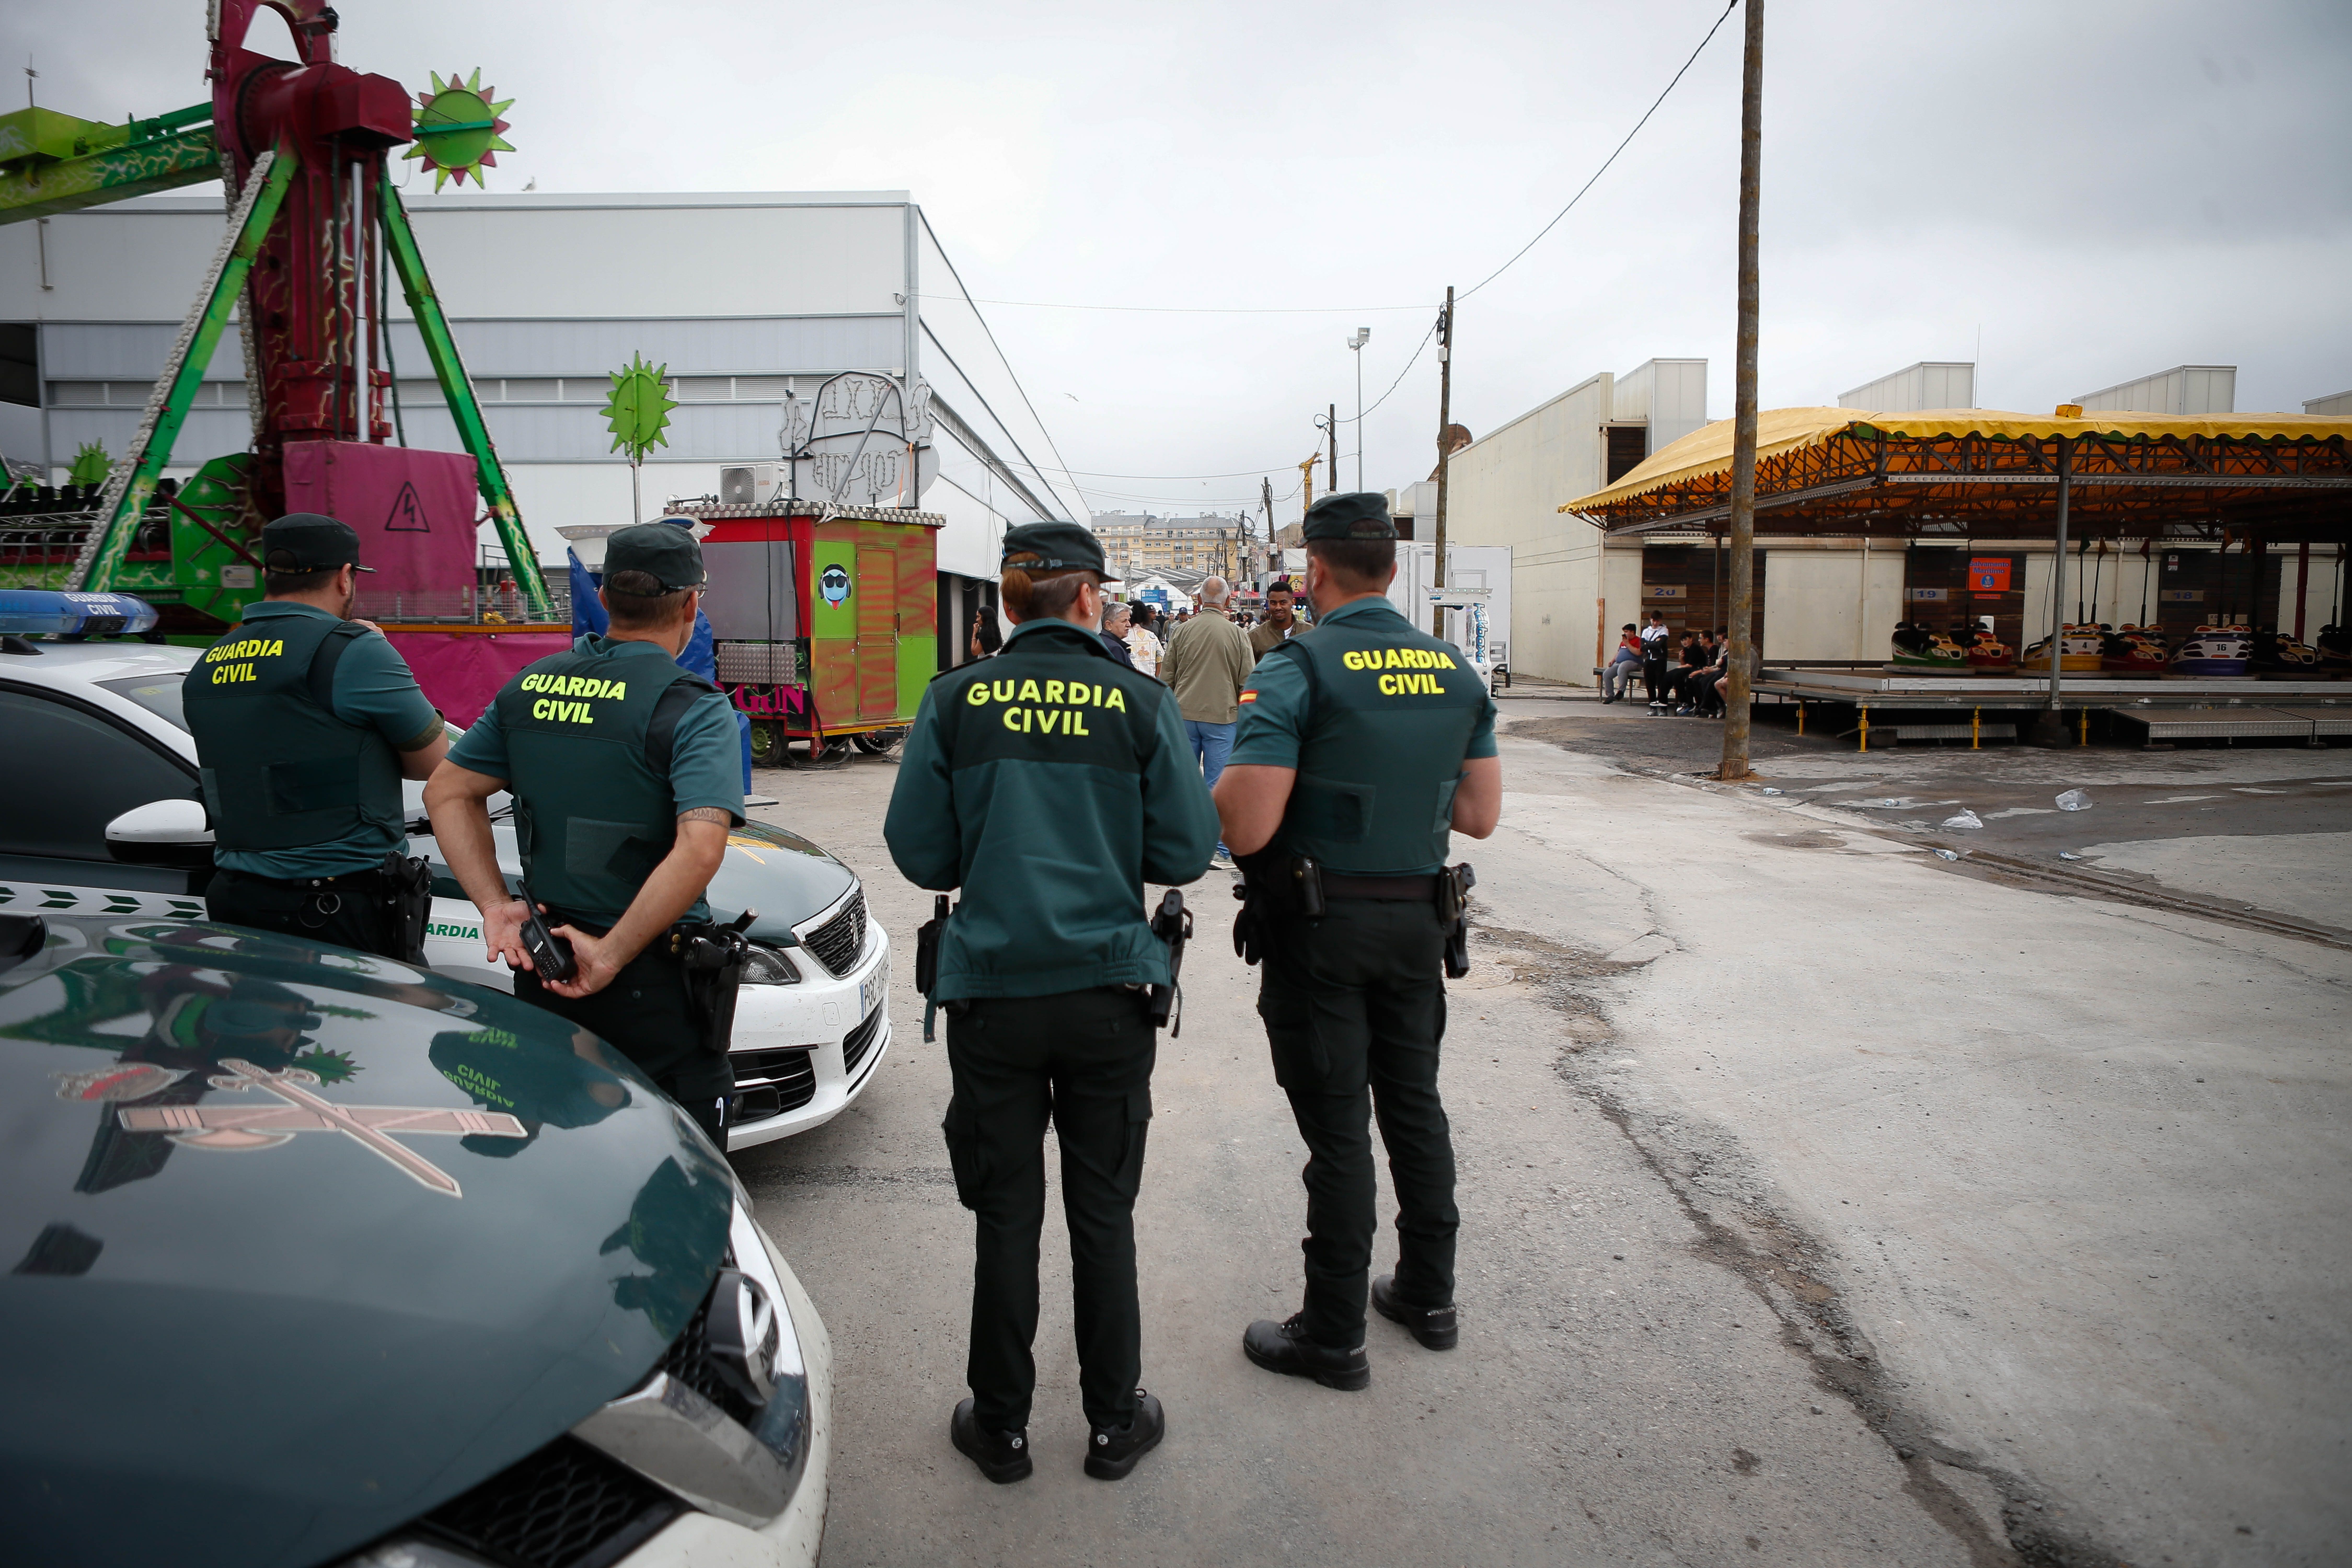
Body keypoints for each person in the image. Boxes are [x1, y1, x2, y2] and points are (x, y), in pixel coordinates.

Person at [884, 521, 1217, 1486]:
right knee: (1103, 1213)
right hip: (1110, 996)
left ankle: (1001, 1429)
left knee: (1007, 1218)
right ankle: (1115, 1424)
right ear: (1088, 599)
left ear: (1003, 599)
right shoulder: (1138, 701)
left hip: (992, 996)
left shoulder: (955, 702)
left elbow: (923, 856)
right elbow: (1183, 853)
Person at [1213, 492, 1502, 1392]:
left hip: (1322, 929)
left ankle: (1333, 1333)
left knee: (1339, 1130)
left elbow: (1250, 828)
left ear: (1318, 573)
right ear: (1389, 570)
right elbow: (1478, 815)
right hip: (1420, 924)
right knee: (1413, 1106)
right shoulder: (1454, 672)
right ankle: (1429, 1294)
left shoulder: (1299, 669)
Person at [423, 523, 746, 1144]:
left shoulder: (531, 686)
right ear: (689, 604)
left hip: (542, 962)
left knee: (562, 1157)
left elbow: (446, 790)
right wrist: (612, 953)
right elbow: (700, 848)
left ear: (604, 596)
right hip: (650, 988)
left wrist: (495, 906)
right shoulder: (692, 706)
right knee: (676, 1172)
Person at [183, 512, 448, 959]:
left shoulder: (208, 661)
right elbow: (433, 764)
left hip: (237, 900)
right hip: (339, 907)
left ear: (268, 574)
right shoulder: (352, 649)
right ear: (346, 578)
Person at [1157, 575, 1257, 867]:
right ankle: (1218, 848)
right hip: (1223, 717)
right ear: (1227, 601)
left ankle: (1182, 843)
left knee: (1185, 782)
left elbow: (1167, 677)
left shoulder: (1182, 631)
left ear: (1199, 600)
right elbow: (1248, 682)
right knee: (1217, 782)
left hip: (1184, 715)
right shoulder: (1238, 634)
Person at [1249, 579, 1303, 659]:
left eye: (1283, 603)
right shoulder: (1255, 637)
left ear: (1293, 602)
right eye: (1274, 603)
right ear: (1269, 603)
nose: (1278, 607)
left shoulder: (1309, 632)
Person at [1640, 611, 1673, 712]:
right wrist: (1653, 643)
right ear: (1650, 620)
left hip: (1660, 660)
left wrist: (1648, 644)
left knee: (1661, 683)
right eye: (1653, 621)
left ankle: (1663, 708)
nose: (1655, 623)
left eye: (1657, 621)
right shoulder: (1646, 631)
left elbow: (1660, 645)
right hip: (1649, 660)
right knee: (1650, 684)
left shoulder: (1664, 630)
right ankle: (1653, 707)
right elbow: (1642, 647)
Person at [1601, 623, 1641, 703]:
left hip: (1634, 663)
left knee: (1623, 667)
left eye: (1627, 632)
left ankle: (1621, 691)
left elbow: (1638, 653)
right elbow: (1619, 652)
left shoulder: (1638, 641)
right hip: (1620, 662)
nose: (1625, 634)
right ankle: (1610, 695)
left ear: (1633, 632)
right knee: (1607, 674)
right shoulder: (1623, 642)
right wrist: (1613, 661)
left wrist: (1628, 644)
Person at [1125, 602, 1166, 677]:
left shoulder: (1123, 635)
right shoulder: (1151, 636)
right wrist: (1156, 676)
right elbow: (1161, 657)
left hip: (1129, 680)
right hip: (1149, 681)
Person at [1098, 600, 1138, 667]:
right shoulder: (1115, 649)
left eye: (1129, 620)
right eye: (1124, 621)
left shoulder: (1100, 641)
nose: (1129, 625)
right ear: (1109, 625)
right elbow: (1122, 677)